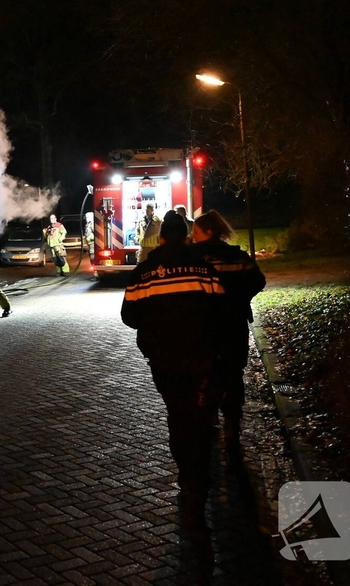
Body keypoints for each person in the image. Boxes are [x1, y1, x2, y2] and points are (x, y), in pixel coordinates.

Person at [121, 211, 225, 534]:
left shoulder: (144, 273)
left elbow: (129, 316)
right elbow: (221, 310)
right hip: (200, 359)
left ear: (162, 238)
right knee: (200, 416)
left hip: (164, 361)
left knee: (177, 415)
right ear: (187, 237)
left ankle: (187, 478)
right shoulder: (204, 270)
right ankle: (200, 478)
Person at [189, 210, 266, 467]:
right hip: (234, 325)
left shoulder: (194, 258)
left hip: (204, 326)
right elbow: (258, 280)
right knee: (233, 373)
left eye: (196, 231)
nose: (192, 235)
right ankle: (233, 426)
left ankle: (209, 418)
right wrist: (239, 299)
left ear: (207, 232)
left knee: (206, 372)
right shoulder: (238, 256)